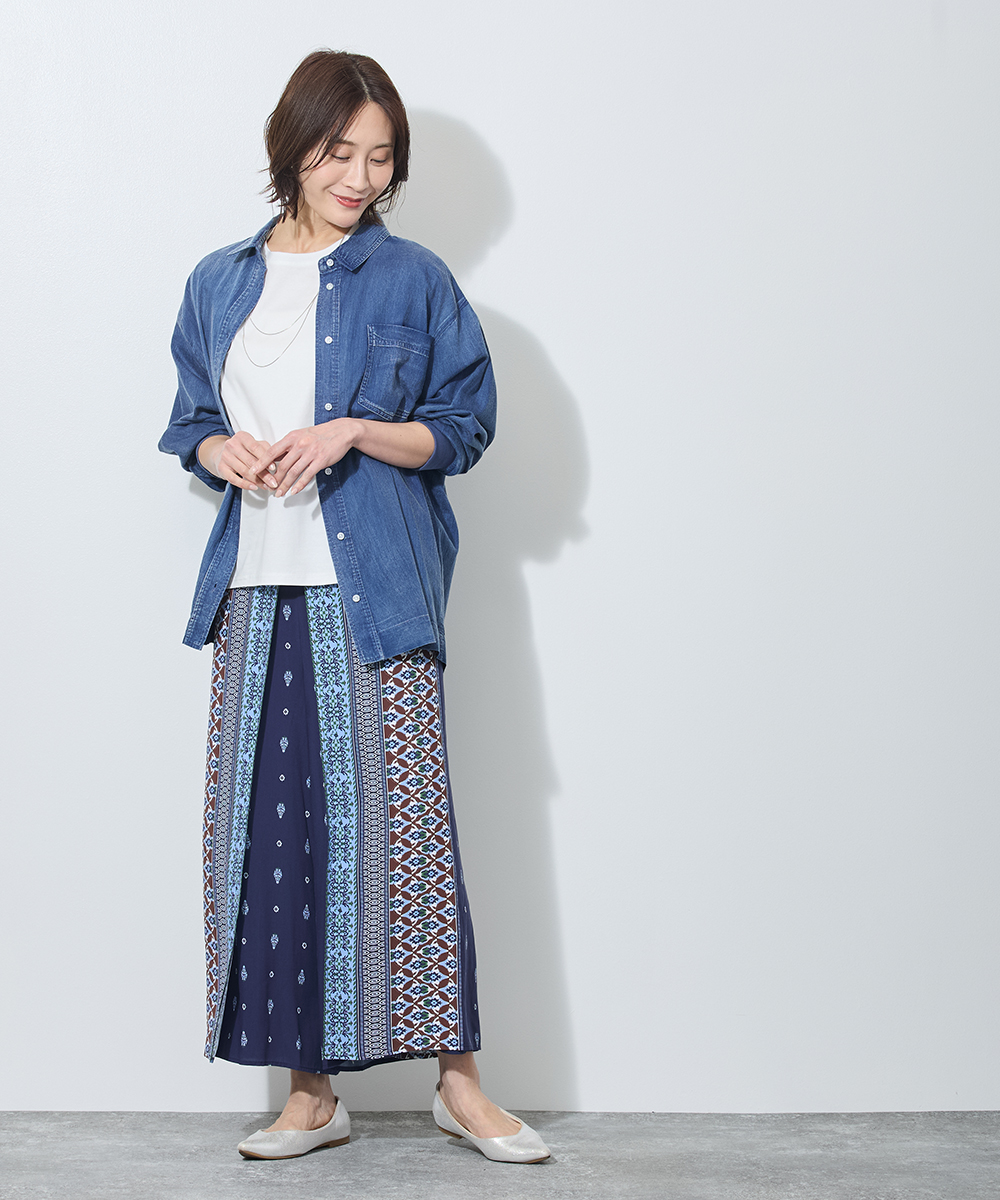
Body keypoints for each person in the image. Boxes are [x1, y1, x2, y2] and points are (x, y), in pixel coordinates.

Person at [159, 49, 549, 1165]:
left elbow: (464, 428)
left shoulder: (412, 278)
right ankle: (310, 1097)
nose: (360, 178)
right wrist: (221, 450)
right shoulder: (219, 282)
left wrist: (353, 432)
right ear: (294, 146)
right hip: (256, 594)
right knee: (272, 841)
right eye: (340, 153)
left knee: (408, 834)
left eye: (381, 159)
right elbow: (188, 420)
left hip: (375, 591)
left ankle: (459, 1087)